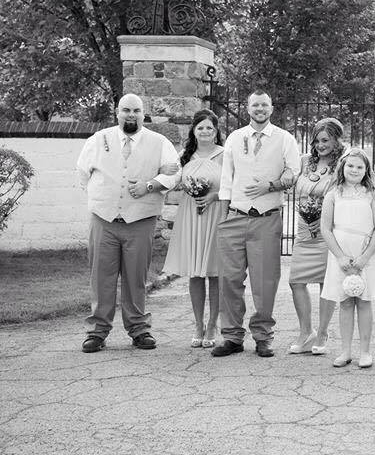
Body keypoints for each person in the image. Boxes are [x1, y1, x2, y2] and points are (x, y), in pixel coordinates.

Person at [76, 93, 179, 353]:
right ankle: (97, 332)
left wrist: (152, 185)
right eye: (126, 110)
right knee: (101, 277)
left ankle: (139, 330)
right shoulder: (98, 140)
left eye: (136, 110)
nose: (130, 115)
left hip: (140, 221)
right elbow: (83, 174)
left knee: (136, 278)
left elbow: (174, 172)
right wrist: (103, 199)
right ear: (117, 112)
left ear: (143, 114)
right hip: (104, 220)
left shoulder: (159, 142)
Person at [212, 91, 299, 358]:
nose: (259, 108)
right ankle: (232, 336)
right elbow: (227, 178)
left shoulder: (284, 138)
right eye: (255, 105)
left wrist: (269, 185)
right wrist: (225, 216)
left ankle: (262, 336)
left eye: (264, 104)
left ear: (271, 108)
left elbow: (293, 173)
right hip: (235, 216)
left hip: (266, 217)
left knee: (265, 281)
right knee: (229, 279)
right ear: (248, 108)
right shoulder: (235, 138)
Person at [162, 109, 228, 348]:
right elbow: (173, 181)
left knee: (214, 272)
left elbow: (233, 185)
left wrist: (214, 195)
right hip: (191, 215)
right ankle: (198, 324)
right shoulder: (185, 155)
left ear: (216, 131)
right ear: (194, 131)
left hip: (216, 213)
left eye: (210, 127)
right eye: (200, 127)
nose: (205, 131)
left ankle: (212, 324)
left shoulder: (224, 155)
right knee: (195, 272)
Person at [319, 148, 375, 368]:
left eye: (359, 166)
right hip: (341, 254)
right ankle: (345, 350)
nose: (354, 170)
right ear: (342, 167)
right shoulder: (333, 194)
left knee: (364, 302)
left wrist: (365, 257)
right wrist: (339, 256)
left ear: (366, 170)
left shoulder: (372, 196)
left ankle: (365, 351)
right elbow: (326, 228)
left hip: (364, 253)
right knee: (345, 302)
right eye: (350, 166)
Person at [287, 118, 343, 355]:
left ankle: (322, 332)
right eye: (317, 140)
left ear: (336, 141)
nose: (320, 145)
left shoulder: (341, 164)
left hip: (327, 231)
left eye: (326, 140)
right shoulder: (304, 162)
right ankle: (305, 331)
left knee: (324, 282)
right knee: (296, 281)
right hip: (303, 229)